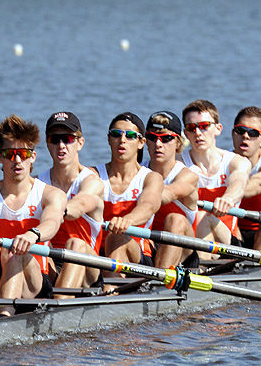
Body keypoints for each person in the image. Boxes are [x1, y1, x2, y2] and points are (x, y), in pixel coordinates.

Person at [0, 115, 66, 310]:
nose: (17, 160)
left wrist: (32, 234)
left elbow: (52, 222)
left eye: (24, 154)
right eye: (10, 154)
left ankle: (3, 316)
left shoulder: (51, 194)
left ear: (33, 157)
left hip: (35, 283)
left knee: (13, 252)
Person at [39, 111, 106, 295]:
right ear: (48, 144)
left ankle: (59, 305)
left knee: (75, 244)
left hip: (87, 266)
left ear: (80, 143)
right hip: (52, 263)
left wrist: (56, 212)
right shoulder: (39, 183)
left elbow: (80, 205)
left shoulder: (91, 182)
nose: (61, 145)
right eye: (55, 139)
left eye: (68, 139)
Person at [180, 99, 252, 257]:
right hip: (190, 241)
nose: (198, 133)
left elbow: (239, 182)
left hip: (228, 243)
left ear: (218, 129)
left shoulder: (237, 162)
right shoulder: (179, 164)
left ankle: (202, 269)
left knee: (203, 216)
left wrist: (228, 198)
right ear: (185, 133)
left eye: (204, 126)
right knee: (198, 217)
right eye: (191, 128)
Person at [211, 106, 261, 251]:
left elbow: (258, 184)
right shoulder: (223, 161)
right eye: (240, 131)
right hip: (233, 232)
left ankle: (257, 263)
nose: (245, 136)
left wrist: (230, 194)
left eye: (253, 133)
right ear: (233, 134)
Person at [99, 112, 163, 267]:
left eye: (130, 136)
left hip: (138, 254)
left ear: (141, 142)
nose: (122, 140)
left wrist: (128, 221)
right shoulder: (94, 176)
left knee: (117, 237)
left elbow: (148, 206)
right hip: (98, 254)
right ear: (109, 139)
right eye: (116, 134)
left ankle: (111, 289)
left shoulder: (151, 178)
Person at [145, 111, 200, 268]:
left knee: (175, 219)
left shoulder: (188, 176)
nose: (158, 144)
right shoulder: (138, 171)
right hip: (147, 245)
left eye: (166, 138)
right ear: (144, 141)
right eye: (152, 137)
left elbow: (166, 194)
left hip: (183, 251)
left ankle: (159, 280)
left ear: (178, 143)